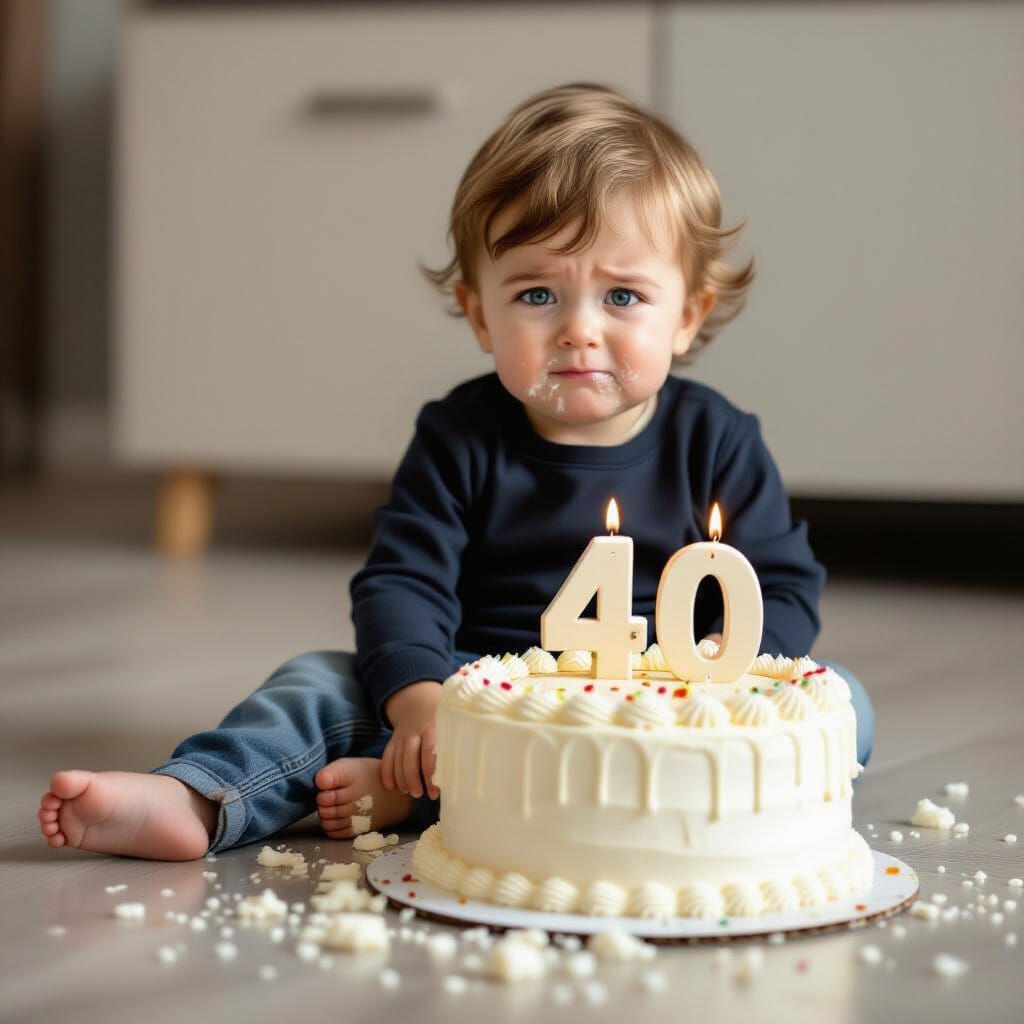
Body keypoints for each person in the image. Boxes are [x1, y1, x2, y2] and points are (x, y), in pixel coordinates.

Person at [37, 82, 874, 861]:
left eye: (622, 296)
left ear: (687, 314)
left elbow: (785, 586)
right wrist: (423, 705)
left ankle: (426, 799)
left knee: (847, 703)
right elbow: (402, 582)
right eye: (537, 295)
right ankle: (200, 798)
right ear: (479, 312)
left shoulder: (717, 440)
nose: (580, 329)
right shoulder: (459, 435)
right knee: (315, 684)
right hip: (480, 689)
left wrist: (723, 677)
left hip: (667, 705)